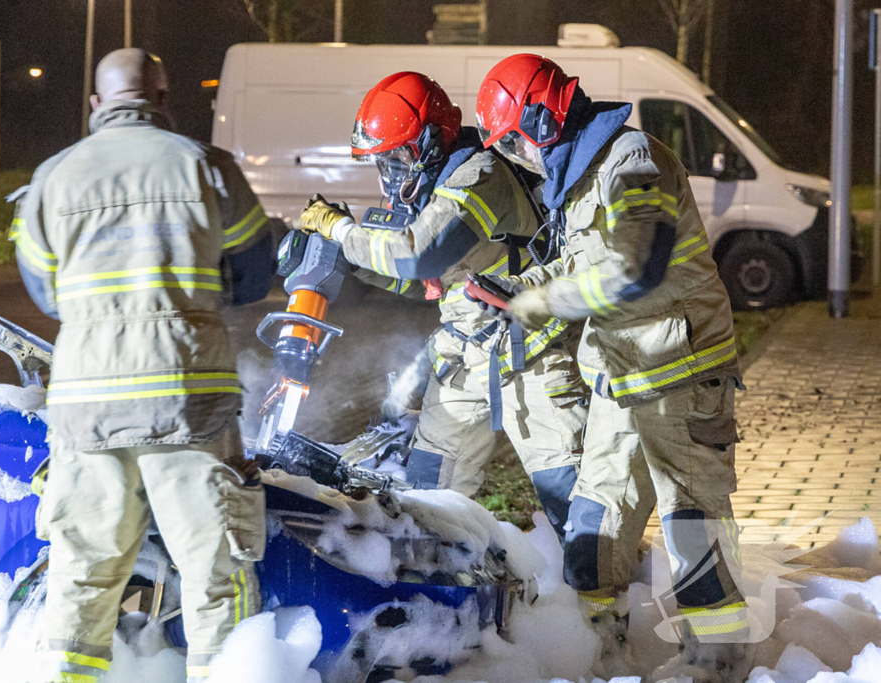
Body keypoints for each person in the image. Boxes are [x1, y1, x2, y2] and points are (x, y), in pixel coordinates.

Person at [472, 54, 749, 681]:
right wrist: (514, 289)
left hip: (680, 369)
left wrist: (536, 301)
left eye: (517, 137)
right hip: (622, 376)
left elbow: (633, 268)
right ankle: (600, 650)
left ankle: (719, 662)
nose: (517, 153)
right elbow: (580, 266)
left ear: (545, 116)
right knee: (596, 522)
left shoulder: (634, 163)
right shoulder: (582, 173)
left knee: (691, 519)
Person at [11, 48, 274, 683]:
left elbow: (46, 293)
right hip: (189, 402)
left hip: (86, 407)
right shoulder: (207, 167)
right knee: (217, 578)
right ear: (162, 99)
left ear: (97, 106)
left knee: (84, 578)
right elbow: (254, 274)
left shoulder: (52, 177)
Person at [298, 71, 588, 543]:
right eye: (383, 163)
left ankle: (600, 611)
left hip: (535, 358)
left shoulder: (478, 177)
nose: (392, 174)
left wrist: (340, 232)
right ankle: (444, 611)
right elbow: (428, 280)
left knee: (573, 503)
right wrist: (351, 262)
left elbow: (417, 254)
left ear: (432, 141)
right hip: (465, 359)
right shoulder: (441, 182)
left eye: (397, 158)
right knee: (426, 499)